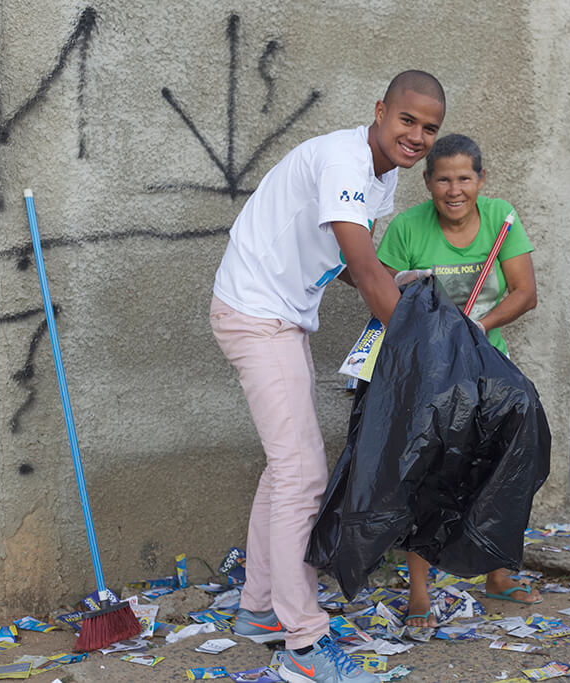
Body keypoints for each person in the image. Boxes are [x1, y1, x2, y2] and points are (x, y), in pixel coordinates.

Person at [210, 70, 445, 683]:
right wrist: (422, 348)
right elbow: (366, 269)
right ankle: (304, 644)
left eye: (429, 128)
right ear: (380, 110)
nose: (416, 136)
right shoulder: (344, 160)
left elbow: (350, 260)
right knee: (303, 473)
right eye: (407, 120)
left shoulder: (381, 174)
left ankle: (260, 608)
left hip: (282, 318)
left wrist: (400, 291)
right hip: (257, 315)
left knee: (286, 467)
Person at [375, 133, 541, 627]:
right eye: (442, 179)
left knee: (505, 467)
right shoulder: (406, 228)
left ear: (480, 180)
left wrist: (478, 327)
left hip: (489, 368)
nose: (454, 189)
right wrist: (408, 297)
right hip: (429, 374)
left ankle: (498, 572)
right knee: (430, 476)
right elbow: (381, 294)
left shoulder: (500, 217)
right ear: (427, 183)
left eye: (464, 178)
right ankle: (420, 592)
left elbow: (525, 292)